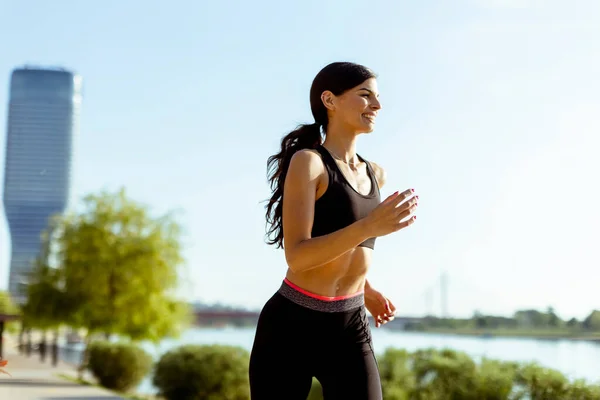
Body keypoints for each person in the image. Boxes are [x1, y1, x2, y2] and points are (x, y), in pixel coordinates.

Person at [249, 61, 418, 400]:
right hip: (290, 326)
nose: (377, 105)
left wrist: (366, 288)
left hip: (349, 325)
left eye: (378, 97)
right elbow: (298, 256)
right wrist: (371, 225)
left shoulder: (375, 174)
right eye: (365, 95)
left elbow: (351, 245)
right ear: (330, 100)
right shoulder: (309, 163)